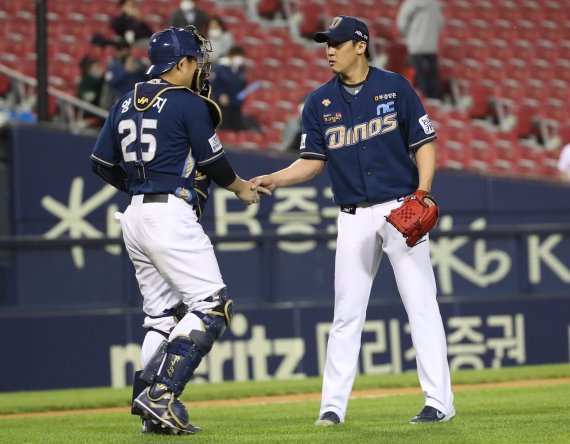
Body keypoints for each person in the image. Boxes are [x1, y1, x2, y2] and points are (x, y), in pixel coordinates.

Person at [251, 15, 455, 425]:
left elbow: (424, 143)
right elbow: (312, 162)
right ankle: (332, 407)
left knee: (421, 306)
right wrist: (275, 177)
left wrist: (423, 192)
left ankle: (439, 403)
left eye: (337, 43)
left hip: (400, 209)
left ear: (360, 45)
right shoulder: (318, 101)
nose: (329, 50)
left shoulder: (394, 87)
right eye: (326, 43)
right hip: (353, 216)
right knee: (347, 312)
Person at [90, 26, 268, 435]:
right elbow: (215, 162)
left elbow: (100, 162)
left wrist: (140, 186)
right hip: (168, 214)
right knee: (211, 305)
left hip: (134, 215)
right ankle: (161, 395)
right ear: (182, 63)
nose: (201, 67)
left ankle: (150, 417)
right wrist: (241, 188)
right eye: (196, 60)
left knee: (161, 316)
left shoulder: (124, 101)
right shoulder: (187, 102)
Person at [396, 0, 445, 100]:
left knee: (419, 74)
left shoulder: (410, 4)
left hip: (415, 45)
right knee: (433, 76)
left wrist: (409, 35)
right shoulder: (434, 5)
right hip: (431, 46)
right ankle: (435, 100)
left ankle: (423, 100)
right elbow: (441, 24)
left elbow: (402, 23)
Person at [99, 39, 148, 109]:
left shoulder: (138, 63)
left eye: (125, 49)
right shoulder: (113, 66)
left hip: (139, 99)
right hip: (119, 101)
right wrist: (125, 71)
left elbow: (148, 76)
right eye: (120, 50)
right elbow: (110, 82)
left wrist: (138, 68)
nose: (123, 52)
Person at [210, 45, 249, 131]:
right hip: (223, 107)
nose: (239, 59)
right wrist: (220, 95)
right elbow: (213, 84)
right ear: (231, 56)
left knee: (239, 131)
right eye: (237, 56)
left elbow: (242, 85)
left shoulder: (241, 70)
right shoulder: (219, 68)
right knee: (225, 131)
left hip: (236, 107)